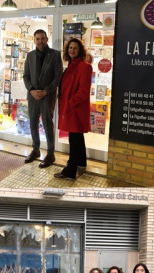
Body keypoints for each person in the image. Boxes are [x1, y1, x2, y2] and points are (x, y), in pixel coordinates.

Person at [22, 29, 62, 168]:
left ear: (47, 39)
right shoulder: (30, 56)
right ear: (34, 40)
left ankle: (50, 154)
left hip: (47, 96)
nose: (40, 41)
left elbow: (58, 77)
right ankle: (36, 150)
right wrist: (31, 90)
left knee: (47, 124)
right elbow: (25, 76)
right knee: (32, 123)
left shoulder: (55, 55)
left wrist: (46, 91)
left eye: (42, 38)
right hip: (33, 96)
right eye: (37, 39)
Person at [54, 38, 92, 180]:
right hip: (70, 108)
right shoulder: (71, 65)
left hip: (75, 110)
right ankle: (81, 164)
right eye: (70, 48)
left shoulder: (84, 66)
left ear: (80, 50)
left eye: (75, 48)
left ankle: (70, 170)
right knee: (77, 138)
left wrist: (70, 103)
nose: (72, 50)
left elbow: (83, 91)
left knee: (74, 140)